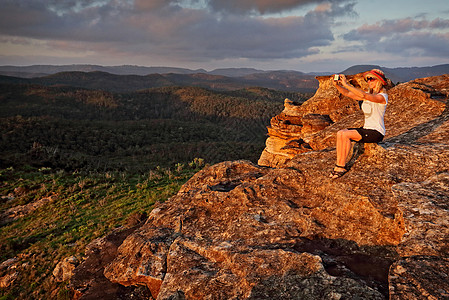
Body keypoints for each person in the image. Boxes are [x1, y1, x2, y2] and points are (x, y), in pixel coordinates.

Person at [329, 69, 388, 179]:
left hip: (376, 132)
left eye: (371, 79)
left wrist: (346, 84)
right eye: (367, 79)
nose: (369, 81)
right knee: (340, 133)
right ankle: (339, 165)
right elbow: (347, 93)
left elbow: (364, 96)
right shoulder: (369, 94)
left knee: (345, 134)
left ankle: (341, 166)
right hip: (367, 129)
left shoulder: (382, 97)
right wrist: (338, 85)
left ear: (379, 81)